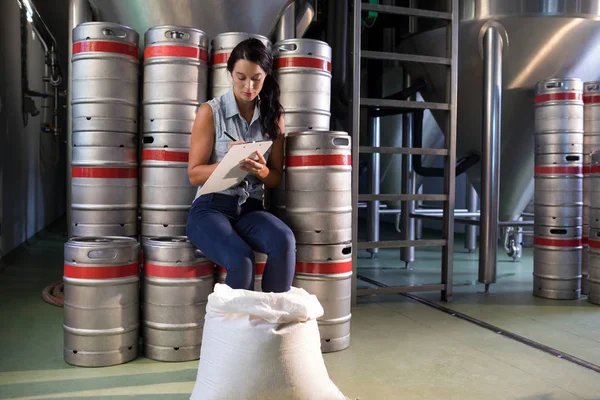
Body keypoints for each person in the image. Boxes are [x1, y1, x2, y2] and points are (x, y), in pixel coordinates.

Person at [186, 38, 295, 293]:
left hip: (250, 209)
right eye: (241, 77)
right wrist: (226, 163)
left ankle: (271, 324)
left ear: (266, 75)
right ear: (230, 73)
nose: (249, 86)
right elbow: (194, 175)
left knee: (284, 240)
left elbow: (276, 177)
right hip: (210, 208)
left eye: (257, 78)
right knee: (242, 260)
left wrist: (262, 171)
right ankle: (234, 332)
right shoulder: (210, 112)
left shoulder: (274, 116)